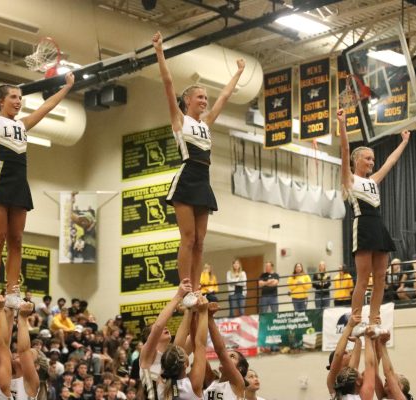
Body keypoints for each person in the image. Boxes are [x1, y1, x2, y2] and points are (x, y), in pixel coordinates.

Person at [0, 37, 75, 309]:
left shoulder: (22, 125)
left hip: (19, 182)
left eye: (21, 98)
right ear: (1, 101)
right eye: (13, 97)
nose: (18, 102)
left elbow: (47, 107)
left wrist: (67, 87)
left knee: (17, 240)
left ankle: (13, 290)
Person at [152, 31, 245, 307]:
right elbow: (168, 84)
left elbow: (225, 97)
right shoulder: (179, 121)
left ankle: (196, 290)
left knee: (201, 242)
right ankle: (184, 289)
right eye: (200, 97)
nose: (205, 101)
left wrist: (238, 73)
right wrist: (159, 51)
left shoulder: (205, 124)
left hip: (203, 181)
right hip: (187, 177)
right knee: (188, 238)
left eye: (206, 98)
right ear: (188, 101)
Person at [338, 108, 410, 326]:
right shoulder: (349, 179)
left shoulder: (373, 180)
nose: (371, 162)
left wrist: (404, 142)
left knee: (380, 277)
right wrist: (342, 124)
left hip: (378, 226)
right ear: (357, 160)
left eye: (372, 159)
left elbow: (390, 161)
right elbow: (344, 148)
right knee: (363, 278)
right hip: (363, 225)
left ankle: (374, 318)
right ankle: (356, 318)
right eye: (368, 158)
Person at [139, 279, 191, 400]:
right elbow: (158, 326)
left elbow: (194, 338)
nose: (165, 327)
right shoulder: (148, 355)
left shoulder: (170, 356)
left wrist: (192, 310)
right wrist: (179, 295)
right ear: (149, 337)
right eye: (157, 331)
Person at [156, 294, 208, 400]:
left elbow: (200, 346)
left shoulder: (162, 385)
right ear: (186, 363)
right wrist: (203, 311)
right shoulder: (192, 386)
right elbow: (199, 345)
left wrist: (190, 311)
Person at [204, 303, 249, 400]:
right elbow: (198, 350)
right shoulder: (212, 380)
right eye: (228, 355)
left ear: (240, 368)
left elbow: (221, 351)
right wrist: (196, 313)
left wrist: (210, 317)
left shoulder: (237, 383)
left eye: (232, 356)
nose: (226, 358)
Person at [374, 331, 413, 400]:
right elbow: (374, 374)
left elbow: (388, 373)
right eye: (386, 380)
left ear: (401, 387)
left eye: (392, 380)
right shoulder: (384, 396)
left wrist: (383, 344)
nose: (386, 381)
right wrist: (375, 343)